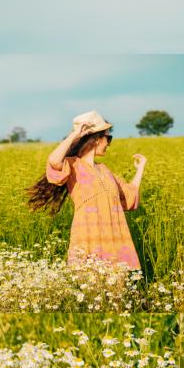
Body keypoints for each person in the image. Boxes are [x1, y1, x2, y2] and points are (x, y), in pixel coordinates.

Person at [26, 110, 147, 269]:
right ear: (97, 139)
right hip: (88, 237)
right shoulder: (72, 165)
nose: (109, 144)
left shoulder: (105, 170)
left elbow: (129, 197)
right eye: (108, 138)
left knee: (117, 283)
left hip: (114, 241)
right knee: (90, 282)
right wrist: (75, 134)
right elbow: (54, 161)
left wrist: (140, 169)